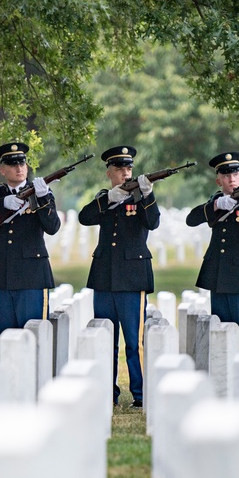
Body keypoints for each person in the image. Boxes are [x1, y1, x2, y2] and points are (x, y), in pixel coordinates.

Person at [78, 146, 160, 408]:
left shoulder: (141, 198)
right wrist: (110, 199)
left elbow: (153, 222)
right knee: (105, 340)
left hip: (132, 278)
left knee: (134, 343)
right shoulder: (106, 198)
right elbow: (85, 217)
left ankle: (140, 393)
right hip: (104, 278)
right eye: (119, 169)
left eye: (129, 169)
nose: (126, 173)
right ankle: (107, 392)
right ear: (109, 173)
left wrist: (147, 195)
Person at [0, 142, 61, 345]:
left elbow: (53, 227)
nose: (19, 168)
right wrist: (2, 204)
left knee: (32, 338)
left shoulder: (40, 192)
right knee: (4, 337)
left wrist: (43, 197)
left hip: (31, 275)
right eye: (13, 164)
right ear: (3, 170)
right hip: (2, 273)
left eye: (22, 163)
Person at [186, 151, 239, 351]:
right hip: (219, 279)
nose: (231, 179)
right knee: (221, 338)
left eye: (235, 175)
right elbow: (191, 219)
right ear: (219, 181)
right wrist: (216, 204)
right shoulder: (216, 202)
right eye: (226, 175)